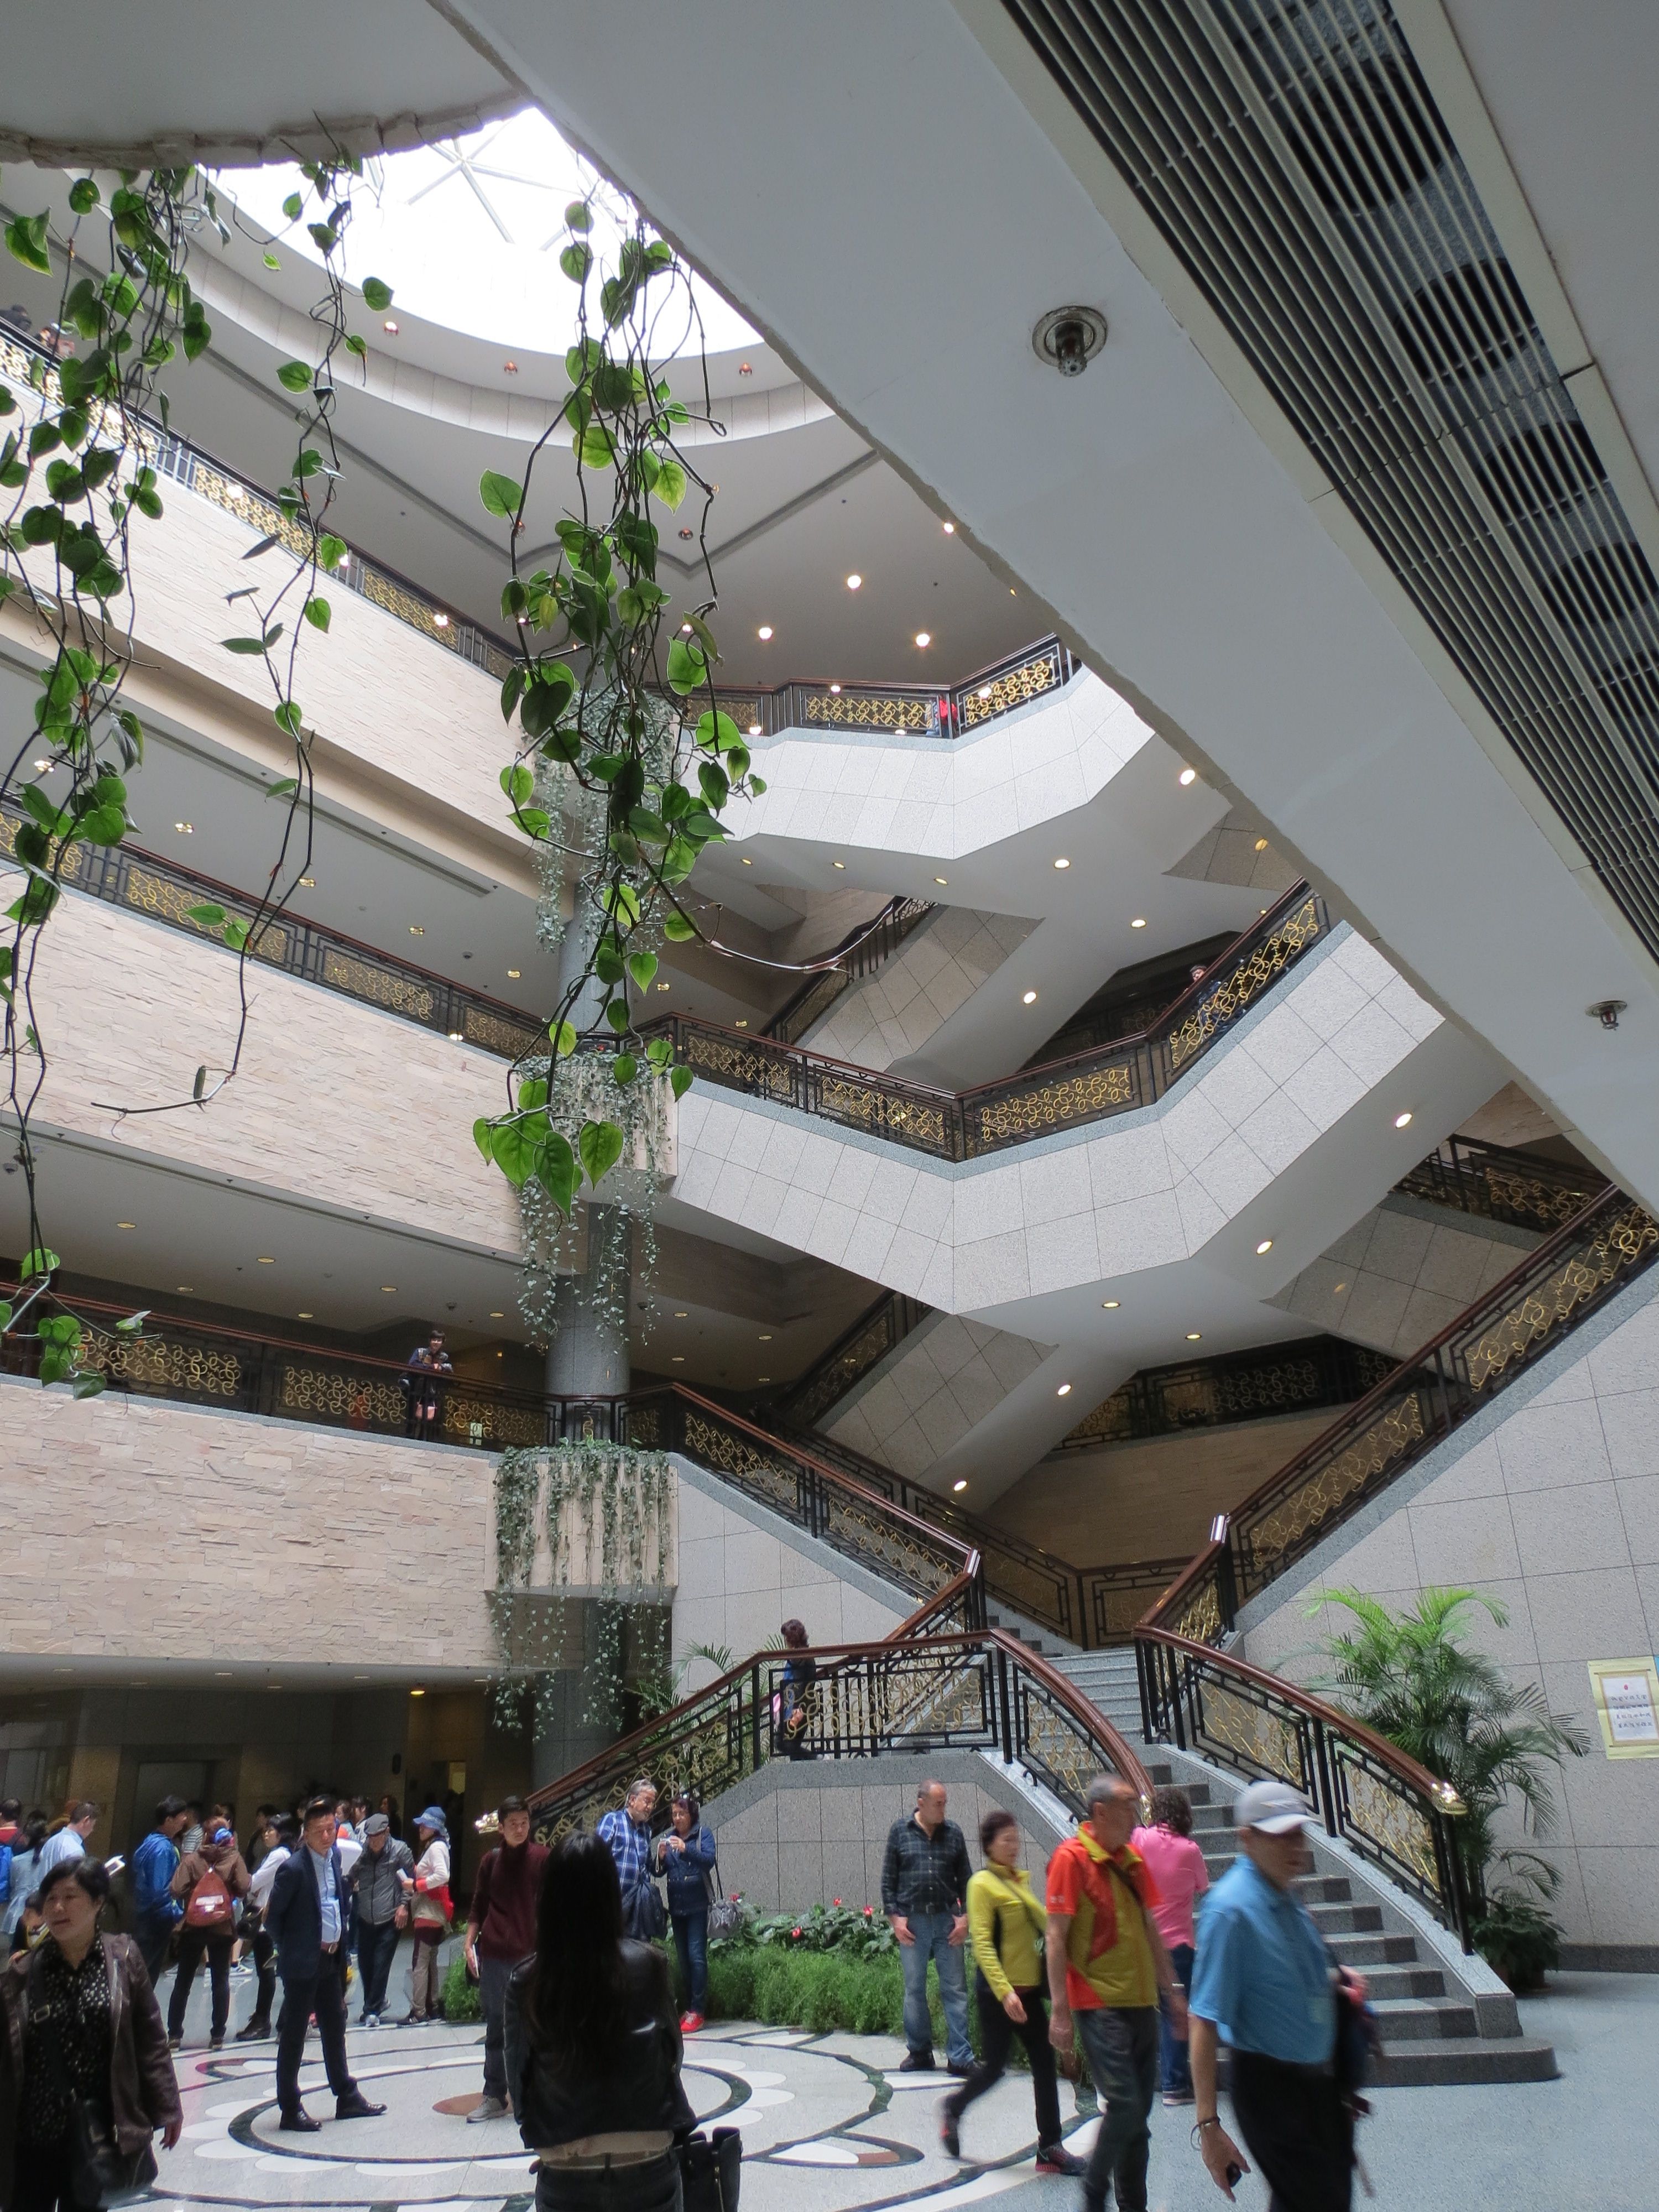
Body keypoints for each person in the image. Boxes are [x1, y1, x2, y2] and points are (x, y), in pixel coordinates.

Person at [1188, 1780, 1367, 2212]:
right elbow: (1203, 2018)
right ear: (1247, 1838)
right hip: (1271, 2088)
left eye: (1298, 1833)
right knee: (1314, 2201)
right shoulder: (1231, 1911)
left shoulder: (1284, 1894)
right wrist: (1209, 2126)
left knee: (1325, 2199)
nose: (1295, 1846)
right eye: (1280, 1835)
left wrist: (1336, 1987)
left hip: (1316, 2085)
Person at [505, 1832, 693, 2212]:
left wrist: (542, 2132)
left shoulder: (528, 1979)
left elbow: (517, 2075)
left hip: (566, 2161)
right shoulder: (649, 1964)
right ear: (610, 1894)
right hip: (647, 2156)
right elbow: (672, 2053)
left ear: (549, 1898)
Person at [0, 1856, 183, 2209]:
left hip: (97, 2133)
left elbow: (151, 2040)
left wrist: (168, 2106)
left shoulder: (124, 1959)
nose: (57, 1907)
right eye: (51, 1897)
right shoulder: (21, 1975)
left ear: (98, 1902)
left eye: (70, 1897)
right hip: (32, 2135)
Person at [1046, 1774, 1187, 2212]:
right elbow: (1055, 1937)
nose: (1136, 1817)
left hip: (1142, 2003)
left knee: (1138, 2122)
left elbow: (1151, 1929)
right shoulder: (1071, 1860)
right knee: (1125, 2102)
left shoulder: (1132, 1861)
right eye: (1128, 1808)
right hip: (1098, 2003)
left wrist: (1173, 1994)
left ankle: (1134, 2206)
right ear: (1100, 1812)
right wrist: (1061, 2013)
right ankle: (1094, 2188)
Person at [940, 1808, 1083, 2175]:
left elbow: (1047, 1927)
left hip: (1030, 1993)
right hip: (1000, 1996)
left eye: (1016, 1839)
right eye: (1006, 1840)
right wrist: (1005, 1992)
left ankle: (1050, 2147)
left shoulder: (1018, 1882)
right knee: (993, 2069)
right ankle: (954, 2109)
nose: (1013, 1846)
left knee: (1043, 2066)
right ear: (989, 1845)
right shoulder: (982, 1885)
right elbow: (983, 1945)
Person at [264, 1798, 385, 2132]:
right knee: (295, 2036)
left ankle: (346, 2095)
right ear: (306, 1833)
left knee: (335, 2028)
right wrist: (293, 1947)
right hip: (303, 1962)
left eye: (332, 1828)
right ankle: (290, 2106)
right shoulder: (293, 1868)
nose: (328, 1836)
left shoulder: (334, 1859)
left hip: (331, 1958)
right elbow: (273, 1918)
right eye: (321, 1831)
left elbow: (337, 1906)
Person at [880, 1779, 974, 2076]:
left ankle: (960, 2057)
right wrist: (896, 1919)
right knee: (914, 1989)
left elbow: (967, 1880)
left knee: (955, 1989)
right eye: (938, 1804)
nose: (943, 1809)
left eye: (945, 1803)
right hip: (913, 1923)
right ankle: (920, 2052)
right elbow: (888, 1881)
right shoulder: (900, 1831)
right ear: (921, 1803)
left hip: (948, 1919)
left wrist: (965, 1918)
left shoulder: (954, 1833)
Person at [464, 1796, 548, 2121]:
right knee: (497, 2027)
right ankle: (494, 2094)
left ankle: (537, 2091)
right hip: (496, 1955)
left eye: (524, 1822)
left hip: (532, 1955)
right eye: (512, 1823)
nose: (519, 1828)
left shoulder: (542, 1859)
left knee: (536, 2025)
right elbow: (478, 1905)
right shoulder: (490, 1862)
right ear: (500, 1827)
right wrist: (469, 1943)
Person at [1131, 1785, 1209, 2107]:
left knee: (1137, 2010)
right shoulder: (1190, 1850)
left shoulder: (1139, 1838)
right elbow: (1203, 1886)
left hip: (1141, 1940)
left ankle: (1137, 2080)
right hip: (1177, 1943)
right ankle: (1175, 2084)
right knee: (1174, 2011)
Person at [166, 1819, 250, 2054]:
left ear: (205, 1836)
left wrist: (193, 1894)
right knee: (220, 1981)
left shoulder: (193, 1860)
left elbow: (175, 1888)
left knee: (183, 1981)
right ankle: (217, 2035)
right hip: (222, 1929)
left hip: (194, 1927)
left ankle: (174, 2035)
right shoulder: (233, 1859)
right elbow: (244, 1886)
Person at [655, 1793, 716, 2034]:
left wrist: (686, 1849)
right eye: (674, 1814)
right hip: (677, 1908)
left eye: (682, 1814)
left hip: (698, 1906)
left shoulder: (703, 1834)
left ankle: (698, 2009)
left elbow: (709, 1860)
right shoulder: (669, 1838)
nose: (677, 1818)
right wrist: (659, 1858)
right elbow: (659, 1872)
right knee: (683, 1960)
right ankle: (690, 2007)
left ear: (692, 1815)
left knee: (696, 1956)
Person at [349, 1813, 413, 2028]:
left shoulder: (400, 1851)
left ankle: (371, 2010)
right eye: (369, 1837)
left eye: (377, 1837)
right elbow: (350, 1875)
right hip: (365, 1916)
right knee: (365, 1964)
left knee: (380, 1964)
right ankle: (376, 2002)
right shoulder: (361, 1853)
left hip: (390, 1916)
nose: (373, 1841)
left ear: (386, 1833)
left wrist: (404, 1906)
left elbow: (410, 1881)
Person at [236, 1813, 294, 2043]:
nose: (267, 1834)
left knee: (266, 1974)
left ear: (283, 1833)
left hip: (266, 1923)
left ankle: (262, 2021)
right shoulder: (285, 1853)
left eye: (272, 1830)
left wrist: (243, 1881)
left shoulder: (279, 1855)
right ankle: (264, 2018)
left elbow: (255, 1882)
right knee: (268, 1973)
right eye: (266, 1830)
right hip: (272, 1922)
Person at [397, 1808, 451, 2023]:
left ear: (436, 1828)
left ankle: (419, 2011)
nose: (421, 1828)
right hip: (433, 1911)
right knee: (429, 1962)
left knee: (420, 1962)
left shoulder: (436, 1848)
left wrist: (417, 1885)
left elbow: (442, 1875)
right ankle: (431, 2006)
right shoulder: (438, 1846)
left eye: (426, 1825)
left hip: (429, 1912)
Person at [129, 1796, 190, 1989]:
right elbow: (160, 1890)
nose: (185, 1819)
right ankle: (139, 2016)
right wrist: (177, 1916)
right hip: (157, 1918)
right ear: (168, 1820)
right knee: (147, 1972)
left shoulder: (150, 1841)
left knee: (142, 1968)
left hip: (146, 1914)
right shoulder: (163, 1849)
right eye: (181, 1816)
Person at [596, 1781, 660, 1943]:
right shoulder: (613, 1821)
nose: (650, 1807)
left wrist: (662, 1857)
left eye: (652, 1803)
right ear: (632, 1800)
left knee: (637, 1955)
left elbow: (649, 1867)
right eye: (647, 1801)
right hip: (611, 1903)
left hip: (638, 1907)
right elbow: (594, 1857)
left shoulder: (647, 1830)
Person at [774, 1619, 817, 1759]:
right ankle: (815, 1760)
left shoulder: (803, 1658)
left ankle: (817, 1758)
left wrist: (797, 1710)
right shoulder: (794, 1658)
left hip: (799, 1709)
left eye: (787, 1638)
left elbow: (802, 1685)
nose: (786, 1641)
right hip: (792, 1708)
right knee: (789, 1746)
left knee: (784, 1743)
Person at [2, 1822, 46, 1954]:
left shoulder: (17, 1861)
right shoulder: (48, 1858)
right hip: (40, 1911)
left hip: (16, 1911)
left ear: (28, 1838)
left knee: (14, 1952)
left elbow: (13, 1885)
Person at [403, 1329, 452, 1439]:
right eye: (434, 1340)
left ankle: (426, 1440)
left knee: (431, 1417)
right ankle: (409, 1438)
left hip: (433, 1391)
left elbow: (449, 1370)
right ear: (430, 1341)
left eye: (439, 1340)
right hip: (417, 1388)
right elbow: (413, 1364)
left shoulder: (444, 1357)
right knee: (412, 1416)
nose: (436, 1343)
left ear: (442, 1343)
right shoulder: (420, 1352)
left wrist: (441, 1368)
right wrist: (431, 1368)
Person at [35, 1807, 97, 1884]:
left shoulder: (51, 1841)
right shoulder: (75, 1850)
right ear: (86, 1821)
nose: (92, 1830)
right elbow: (75, 1883)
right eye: (93, 1826)